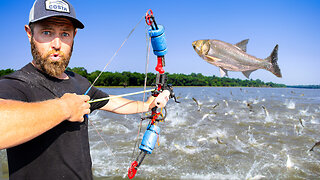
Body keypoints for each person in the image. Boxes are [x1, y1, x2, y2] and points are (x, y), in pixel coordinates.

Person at [0, 0, 169, 179]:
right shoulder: (15, 83)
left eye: (65, 34)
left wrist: (147, 105)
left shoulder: (78, 82)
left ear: (74, 35)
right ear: (29, 33)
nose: (57, 44)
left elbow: (111, 102)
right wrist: (64, 109)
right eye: (47, 32)